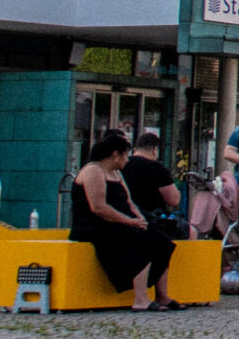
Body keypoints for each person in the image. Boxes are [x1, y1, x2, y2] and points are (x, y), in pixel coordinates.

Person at [71, 129, 179, 310]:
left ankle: (162, 295)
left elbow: (129, 202)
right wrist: (129, 222)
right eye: (125, 156)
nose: (127, 160)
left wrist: (139, 219)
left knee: (162, 241)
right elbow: (99, 207)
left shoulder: (116, 173)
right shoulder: (93, 171)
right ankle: (140, 299)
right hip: (95, 226)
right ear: (115, 155)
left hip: (120, 222)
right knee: (141, 242)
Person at [121, 130, 181, 240]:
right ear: (154, 150)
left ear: (135, 148)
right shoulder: (157, 168)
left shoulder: (121, 166)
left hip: (123, 218)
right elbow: (173, 200)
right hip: (152, 221)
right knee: (190, 231)